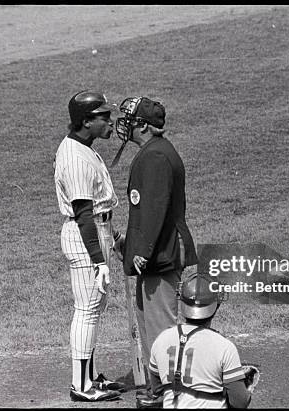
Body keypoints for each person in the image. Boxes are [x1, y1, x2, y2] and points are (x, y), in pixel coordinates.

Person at [112, 96, 198, 406]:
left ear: (145, 126)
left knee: (161, 326)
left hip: (160, 254)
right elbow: (146, 209)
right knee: (149, 324)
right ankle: (158, 387)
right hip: (153, 253)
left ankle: (171, 393)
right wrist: (130, 246)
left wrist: (144, 250)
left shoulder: (157, 157)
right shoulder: (155, 152)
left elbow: (157, 207)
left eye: (130, 119)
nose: (125, 125)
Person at [54, 90, 127, 402]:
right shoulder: (74, 158)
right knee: (86, 310)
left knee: (94, 309)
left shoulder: (83, 146)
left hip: (97, 234)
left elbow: (98, 211)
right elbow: (85, 215)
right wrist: (98, 262)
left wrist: (117, 239)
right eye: (104, 117)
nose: (110, 121)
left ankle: (89, 377)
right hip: (86, 239)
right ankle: (81, 386)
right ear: (86, 121)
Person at [146, 272, 256, 408]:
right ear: (216, 305)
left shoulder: (161, 340)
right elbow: (240, 402)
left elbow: (156, 389)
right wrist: (246, 388)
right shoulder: (224, 347)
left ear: (182, 301)